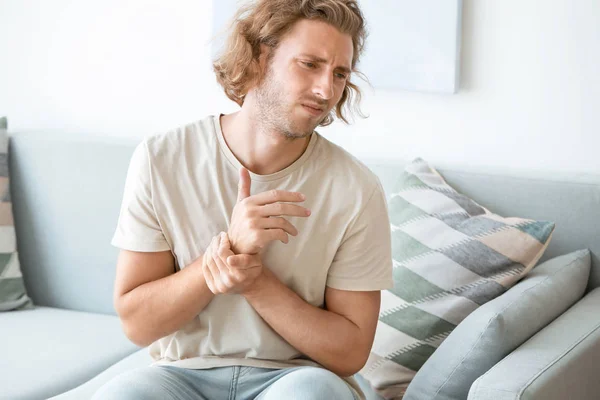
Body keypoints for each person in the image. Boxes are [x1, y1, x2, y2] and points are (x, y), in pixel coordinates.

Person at [93, 0, 392, 399]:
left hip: (296, 378)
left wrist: (255, 283)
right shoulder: (161, 158)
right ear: (258, 58)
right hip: (182, 374)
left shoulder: (357, 189)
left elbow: (351, 351)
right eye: (309, 64)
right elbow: (137, 324)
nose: (326, 90)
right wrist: (223, 257)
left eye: (339, 74)